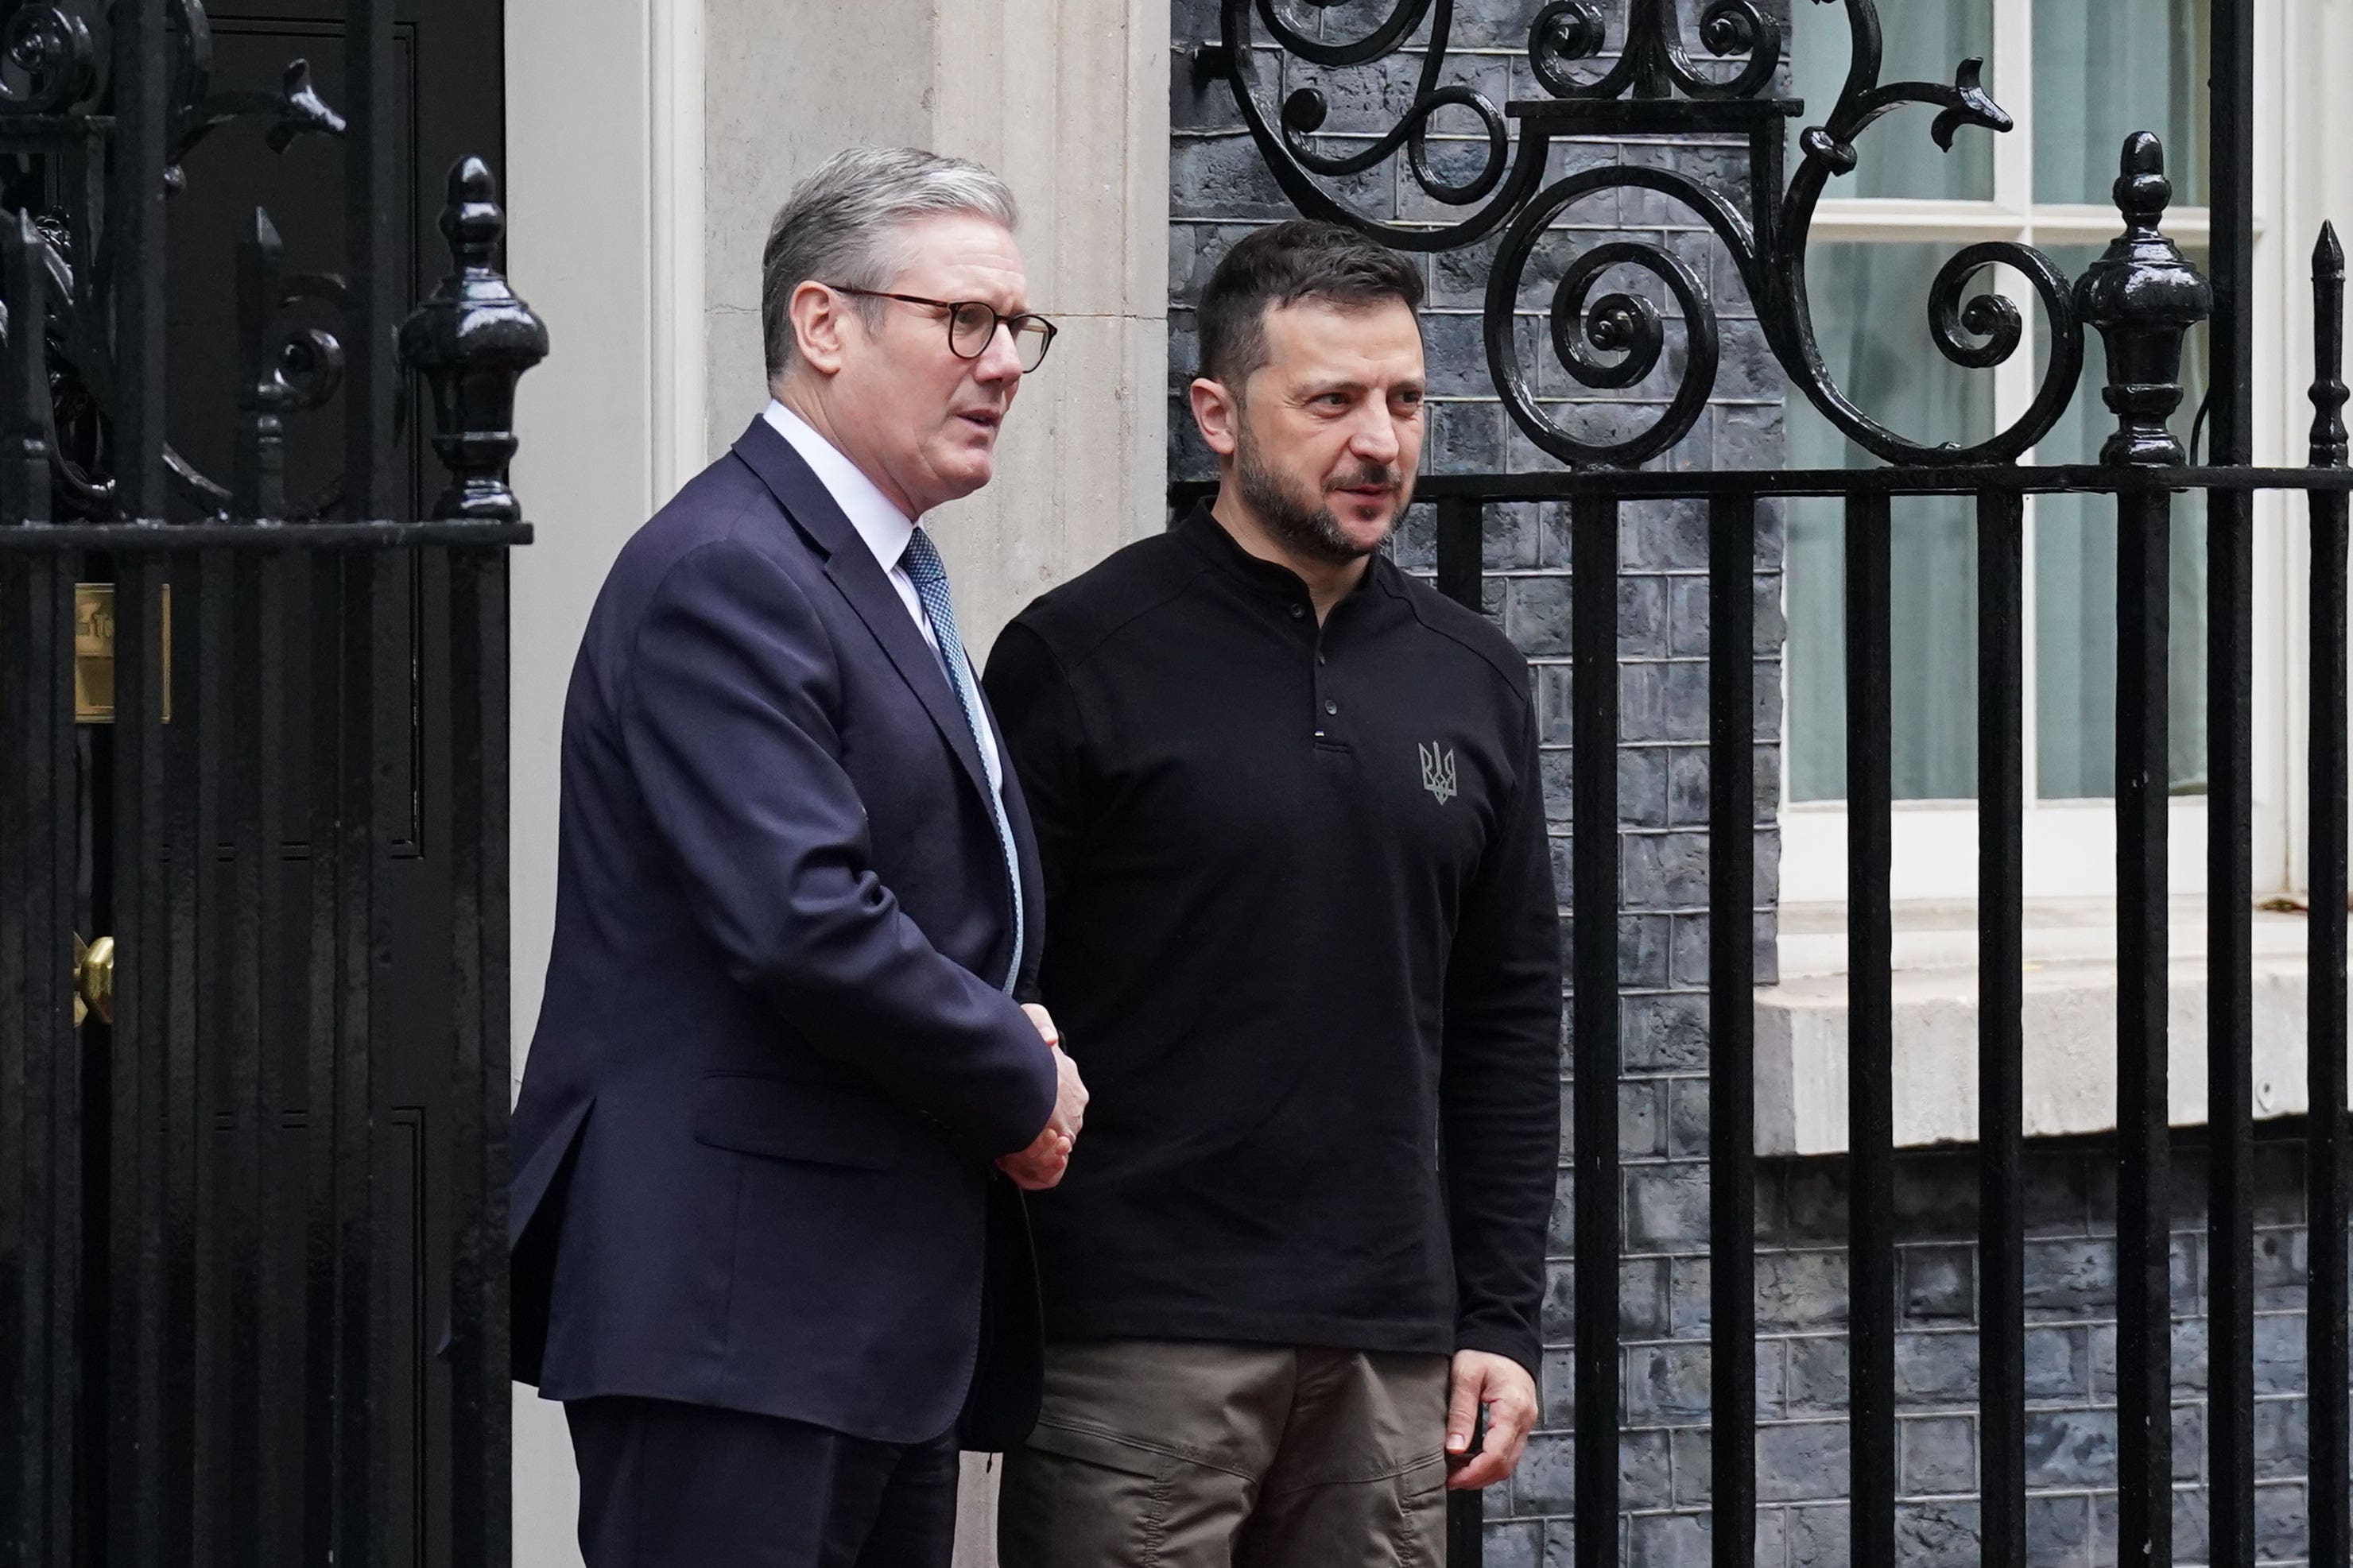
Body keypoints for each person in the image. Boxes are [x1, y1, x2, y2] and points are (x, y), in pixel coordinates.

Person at [506, 145, 1088, 1568]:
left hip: (864, 1317)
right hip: (737, 1313)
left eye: (1018, 327)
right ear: (823, 325)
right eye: (964, 319)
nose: (1003, 361)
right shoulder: (731, 568)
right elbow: (803, 915)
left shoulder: (874, 572)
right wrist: (1019, 1075)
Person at [983, 218, 1563, 1566]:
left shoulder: (1472, 676)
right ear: (1218, 416)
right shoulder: (1076, 657)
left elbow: (1508, 1019)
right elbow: (993, 991)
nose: (1381, 440)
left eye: (1406, 400)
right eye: (1333, 401)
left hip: (1392, 1349)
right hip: (1137, 1340)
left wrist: (1499, 1317)